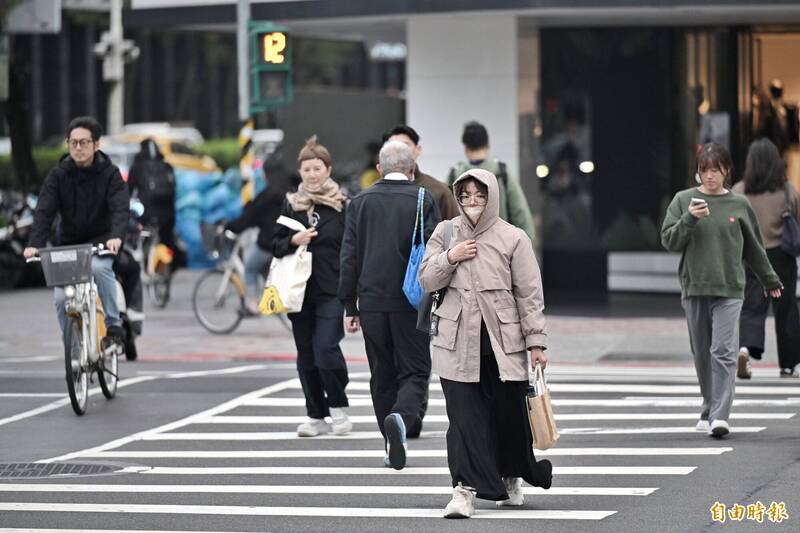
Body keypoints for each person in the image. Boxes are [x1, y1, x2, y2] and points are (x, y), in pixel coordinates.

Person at [418, 168, 553, 518]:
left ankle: (510, 477)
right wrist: (450, 256)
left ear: (491, 196)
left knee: (507, 416)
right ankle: (463, 490)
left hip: (503, 345)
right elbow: (426, 279)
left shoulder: (513, 237)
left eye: (479, 195)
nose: (472, 202)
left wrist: (536, 342)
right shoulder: (445, 232)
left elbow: (529, 293)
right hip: (455, 342)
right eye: (465, 196)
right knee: (463, 419)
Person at [661, 142, 782, 438]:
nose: (710, 176)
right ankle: (708, 405)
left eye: (716, 169)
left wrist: (770, 280)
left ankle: (719, 415)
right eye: (704, 170)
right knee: (702, 352)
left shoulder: (738, 204)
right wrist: (689, 218)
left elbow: (754, 247)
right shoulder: (683, 200)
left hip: (730, 288)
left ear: (727, 171)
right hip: (695, 287)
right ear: (697, 172)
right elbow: (669, 241)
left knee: (724, 351)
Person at [339, 140, 441, 469]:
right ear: (411, 169)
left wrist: (349, 305)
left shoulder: (359, 202)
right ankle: (401, 416)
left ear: (380, 169)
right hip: (410, 302)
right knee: (415, 369)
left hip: (370, 301)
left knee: (381, 373)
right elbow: (435, 252)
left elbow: (349, 257)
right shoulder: (423, 198)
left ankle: (389, 443)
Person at [272, 136, 352, 437]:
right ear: (300, 172)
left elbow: (352, 248)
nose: (312, 174)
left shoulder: (344, 206)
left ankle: (339, 408)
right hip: (298, 292)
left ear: (328, 169)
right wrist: (293, 240)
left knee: (326, 351)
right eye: (306, 169)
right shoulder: (291, 204)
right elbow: (274, 243)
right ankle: (315, 414)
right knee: (306, 355)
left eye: (317, 168)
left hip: (332, 290)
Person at [24, 116, 130, 341]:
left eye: (84, 142)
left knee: (101, 270)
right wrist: (35, 244)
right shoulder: (59, 175)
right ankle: (71, 345)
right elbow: (44, 211)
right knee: (62, 298)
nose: (78, 148)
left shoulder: (110, 174)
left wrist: (116, 237)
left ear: (96, 144)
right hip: (69, 246)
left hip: (101, 242)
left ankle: (113, 324)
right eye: (73, 143)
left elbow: (120, 209)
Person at [732, 138, 800, 379]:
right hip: (781, 256)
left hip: (751, 256)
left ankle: (745, 350)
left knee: (752, 307)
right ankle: (789, 364)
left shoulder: (739, 191)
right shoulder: (787, 190)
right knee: (787, 309)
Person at [448, 121, 535, 240]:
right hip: (500, 247)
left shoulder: (455, 176)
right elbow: (520, 213)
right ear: (488, 145)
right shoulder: (501, 172)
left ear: (466, 148)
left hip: (463, 249)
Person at [225, 174, 288, 314]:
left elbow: (247, 219)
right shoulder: (286, 193)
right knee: (264, 270)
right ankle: (273, 299)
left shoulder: (265, 197)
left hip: (268, 243)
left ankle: (252, 305)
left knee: (250, 268)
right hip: (284, 243)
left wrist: (228, 227)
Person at [382, 125, 460, 220]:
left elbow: (454, 230)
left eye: (405, 145)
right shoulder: (371, 195)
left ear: (418, 150)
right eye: (393, 146)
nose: (399, 151)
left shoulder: (439, 191)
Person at [127, 138, 182, 268]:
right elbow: (174, 193)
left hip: (146, 214)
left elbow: (128, 191)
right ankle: (165, 267)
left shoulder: (137, 167)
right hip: (168, 216)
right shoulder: (167, 166)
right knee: (166, 241)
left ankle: (144, 263)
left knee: (140, 235)